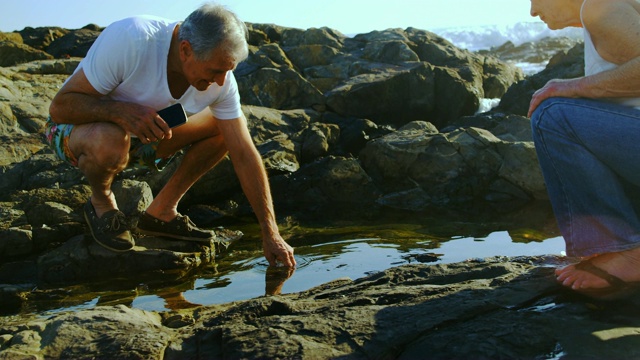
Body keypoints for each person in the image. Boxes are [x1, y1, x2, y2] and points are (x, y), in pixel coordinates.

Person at [47, 3, 296, 268]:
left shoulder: (222, 80)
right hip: (77, 132)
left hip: (145, 139)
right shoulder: (132, 39)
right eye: (215, 71)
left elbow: (244, 153)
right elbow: (60, 108)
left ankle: (162, 211)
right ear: (186, 50)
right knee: (110, 140)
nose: (222, 81)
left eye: (228, 71)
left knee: (225, 129)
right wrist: (120, 112)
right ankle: (102, 202)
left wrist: (271, 232)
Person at [529, 0, 640, 298]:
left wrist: (572, 86)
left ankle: (629, 253)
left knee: (552, 115)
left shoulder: (599, 6)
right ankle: (621, 245)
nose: (532, 11)